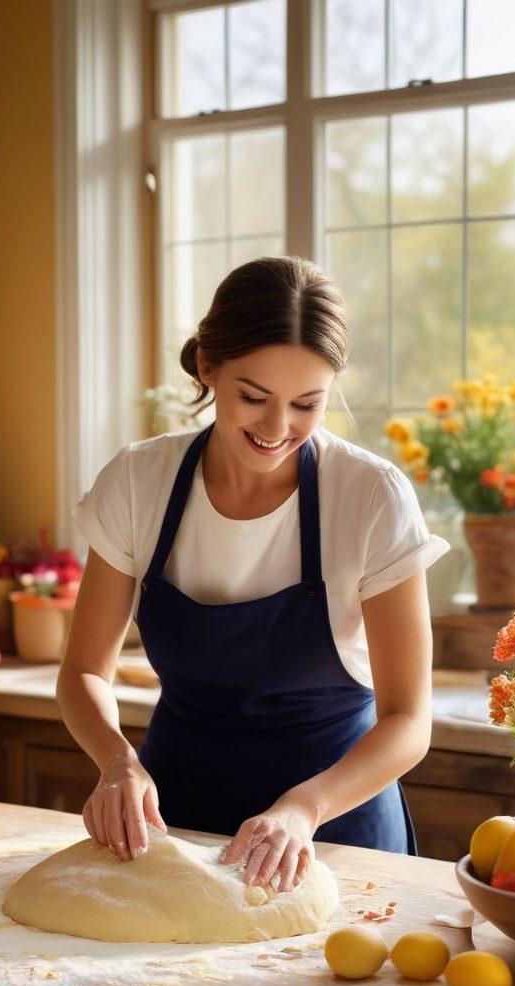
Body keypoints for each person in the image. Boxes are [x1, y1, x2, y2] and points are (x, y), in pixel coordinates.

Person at [57, 256, 449, 893]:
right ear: (208, 367)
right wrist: (117, 764)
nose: (276, 428)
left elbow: (408, 719)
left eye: (306, 404)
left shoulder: (371, 496)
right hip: (171, 820)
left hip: (331, 828)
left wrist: (303, 809)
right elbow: (82, 672)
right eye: (253, 397)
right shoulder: (138, 481)